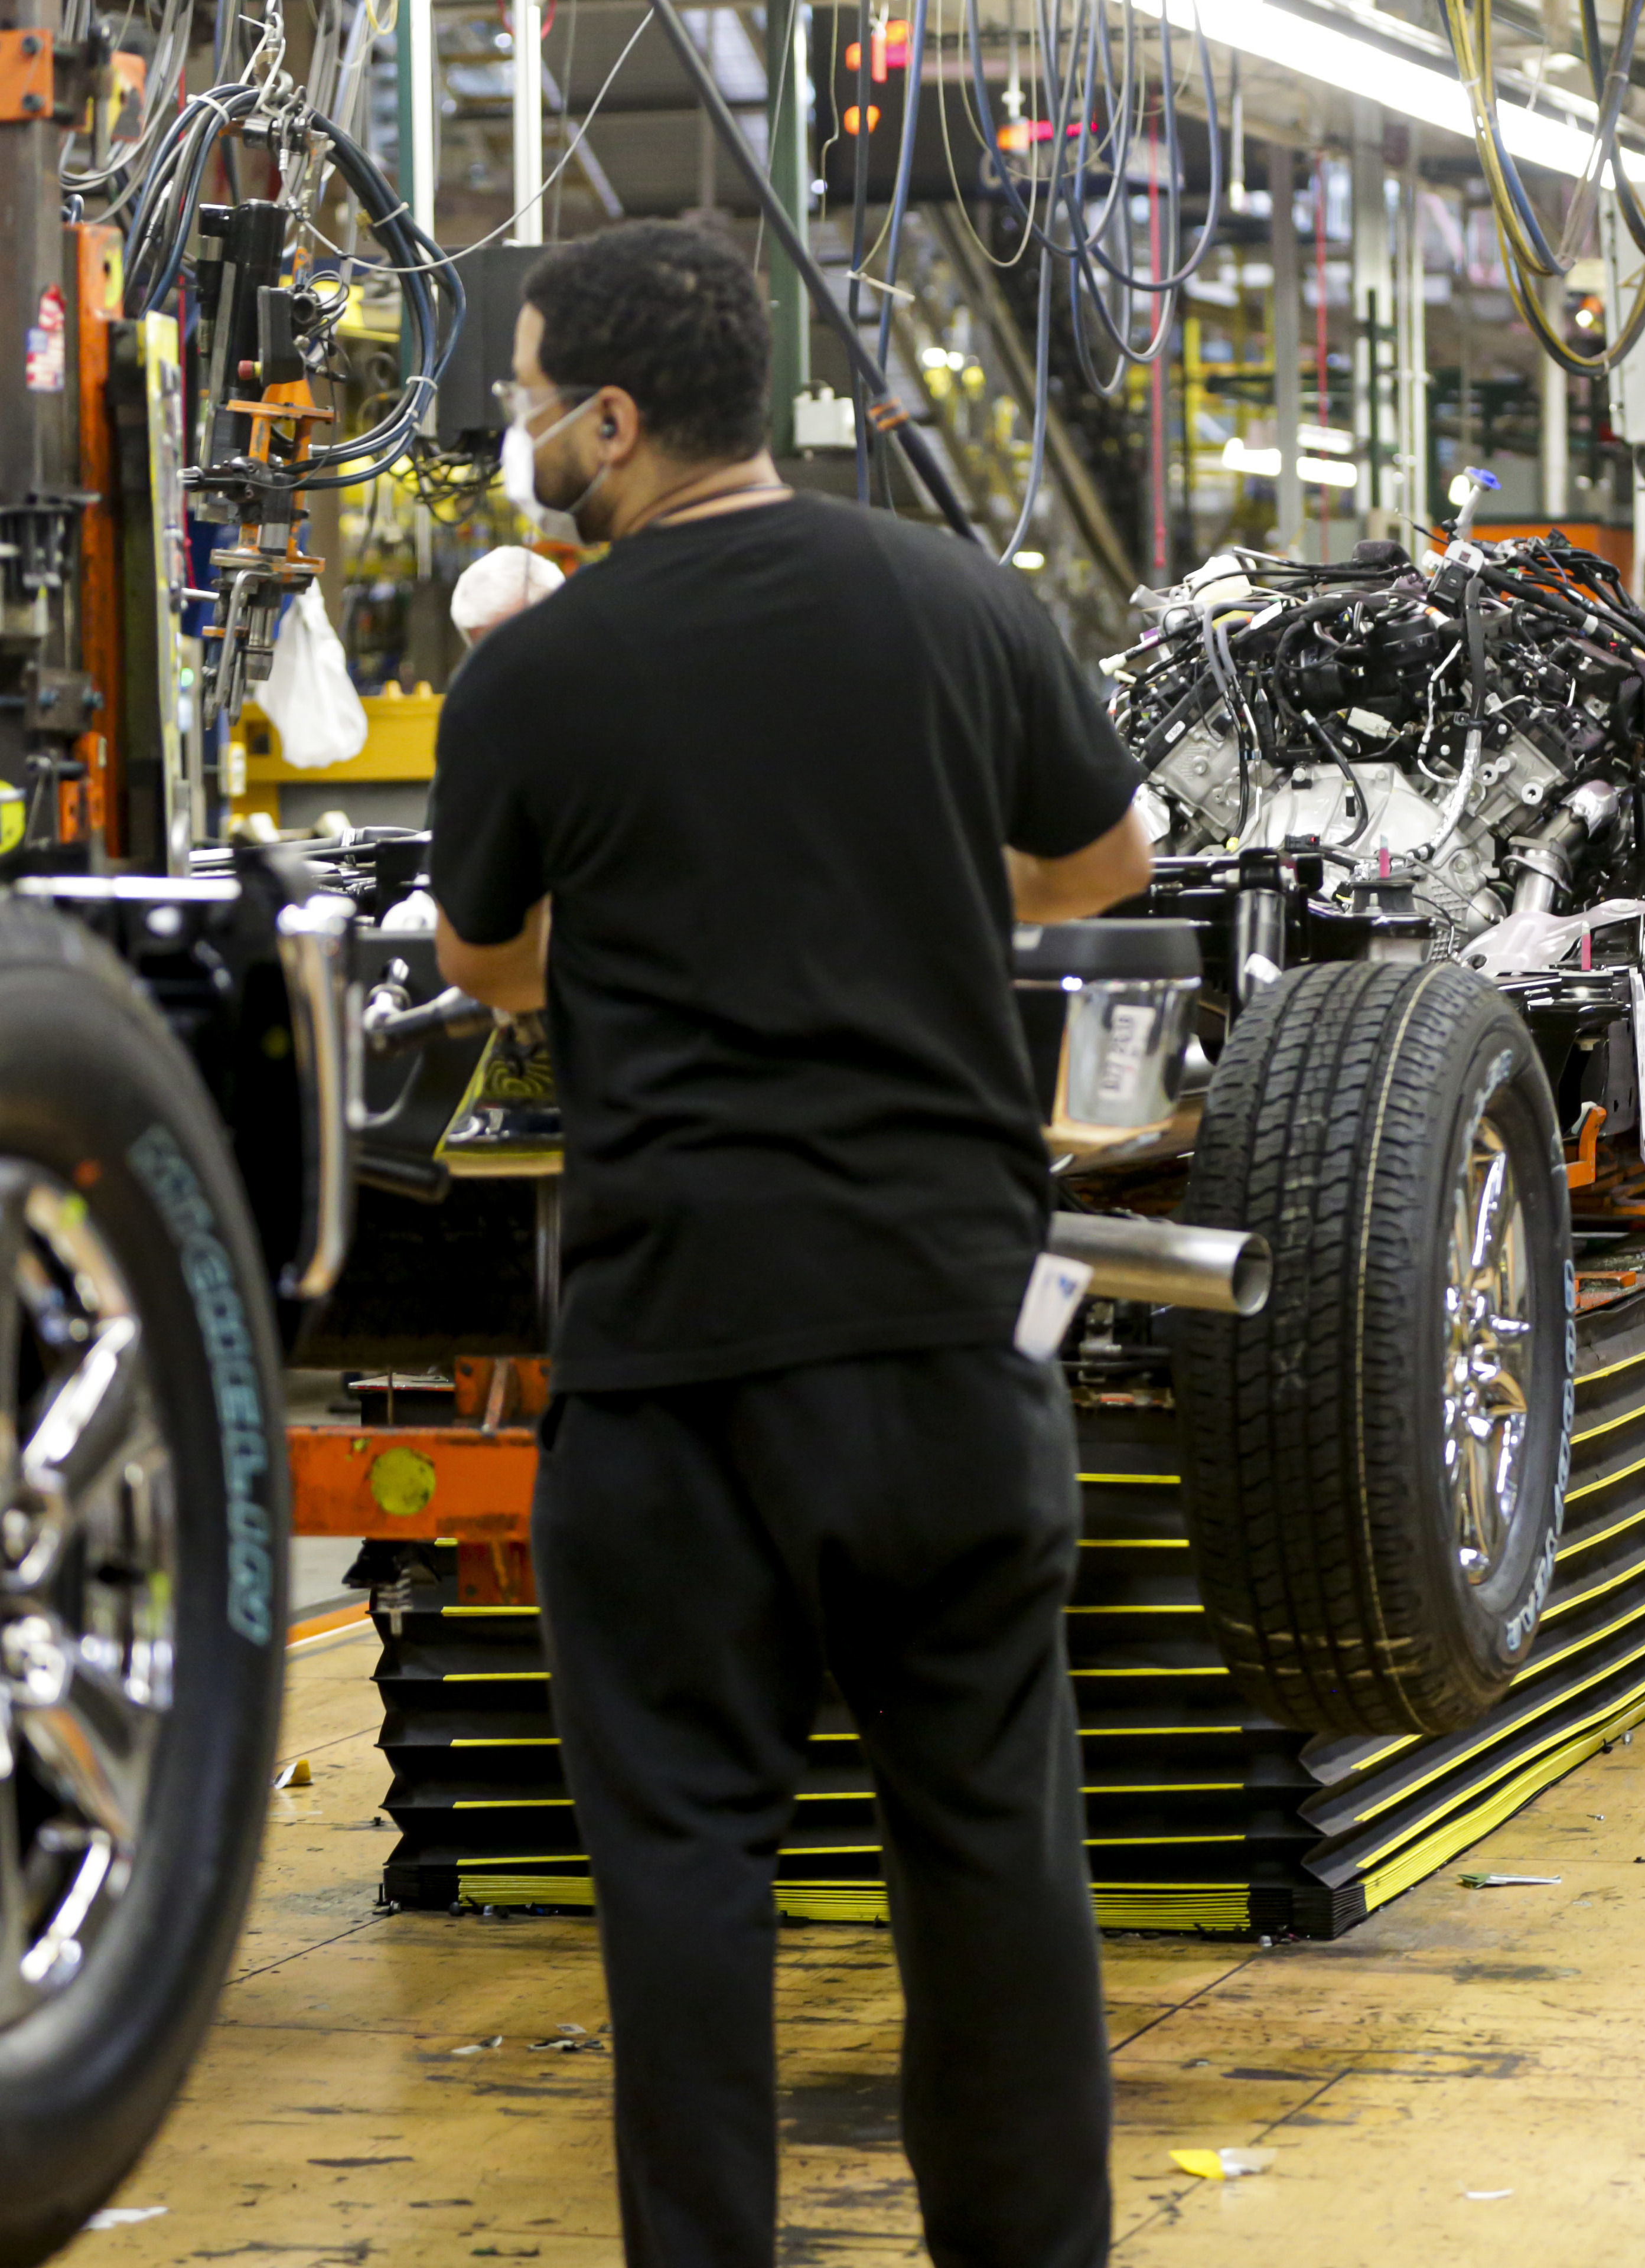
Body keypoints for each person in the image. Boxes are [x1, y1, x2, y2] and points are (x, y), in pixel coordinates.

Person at [429, 221, 1149, 2268]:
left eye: (527, 393)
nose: (518, 431)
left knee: (682, 1872)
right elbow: (1102, 861)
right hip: (944, 1332)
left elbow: (491, 969)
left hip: (682, 1362)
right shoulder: (954, 596)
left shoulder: (539, 668)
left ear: (616, 420)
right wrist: (905, 894)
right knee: (992, 1853)